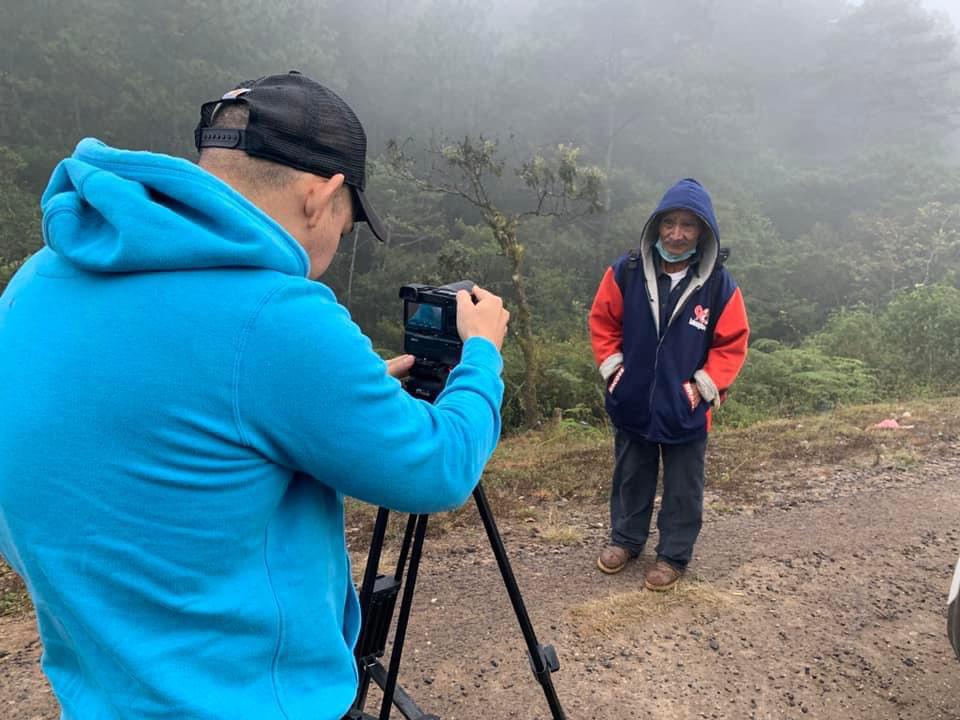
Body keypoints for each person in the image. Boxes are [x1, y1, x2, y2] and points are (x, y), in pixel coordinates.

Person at [0, 71, 509, 720]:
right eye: (348, 227)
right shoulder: (274, 315)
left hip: (100, 693)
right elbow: (439, 469)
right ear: (321, 197)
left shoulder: (39, 277)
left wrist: (324, 401)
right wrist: (483, 355)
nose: (333, 246)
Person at [588, 178, 748, 591]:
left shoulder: (718, 285)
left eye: (688, 226)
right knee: (631, 475)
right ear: (656, 226)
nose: (677, 234)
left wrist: (703, 387)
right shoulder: (625, 272)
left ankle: (673, 556)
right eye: (669, 224)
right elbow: (603, 322)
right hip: (634, 400)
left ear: (703, 233)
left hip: (685, 409)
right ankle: (625, 540)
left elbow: (731, 343)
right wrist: (614, 370)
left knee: (683, 487)